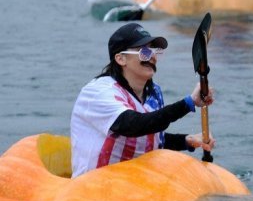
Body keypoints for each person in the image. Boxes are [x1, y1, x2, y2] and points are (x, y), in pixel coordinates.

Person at [70, 23, 215, 178]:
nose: (152, 57)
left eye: (154, 51)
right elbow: (133, 126)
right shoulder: (98, 92)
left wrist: (186, 141)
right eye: (144, 51)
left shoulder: (154, 93)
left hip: (136, 183)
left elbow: (150, 139)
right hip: (95, 186)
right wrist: (189, 103)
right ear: (121, 59)